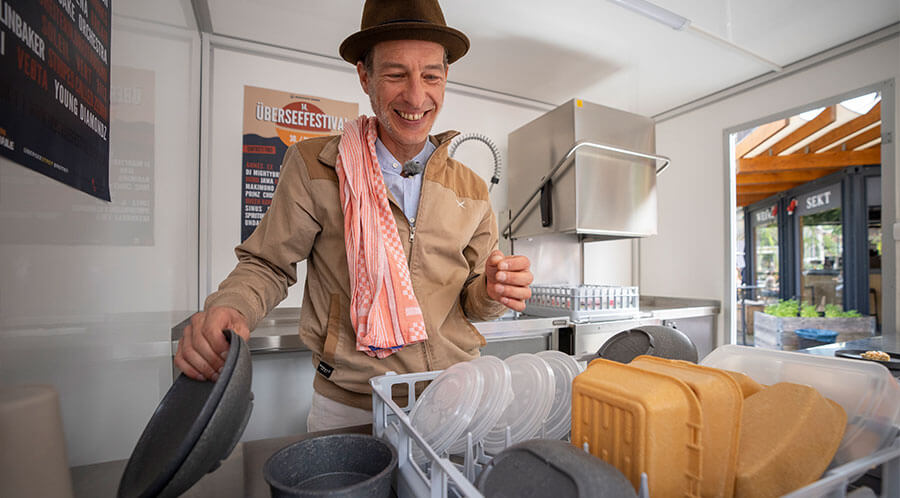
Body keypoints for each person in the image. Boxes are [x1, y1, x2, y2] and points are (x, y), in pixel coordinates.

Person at [175, 0, 533, 431]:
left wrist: (494, 291)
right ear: (364, 76)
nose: (416, 96)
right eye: (396, 74)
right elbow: (267, 264)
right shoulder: (316, 165)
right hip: (352, 405)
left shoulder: (471, 188)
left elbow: (473, 301)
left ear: (445, 78)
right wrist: (232, 305)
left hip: (455, 396)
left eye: (431, 76)